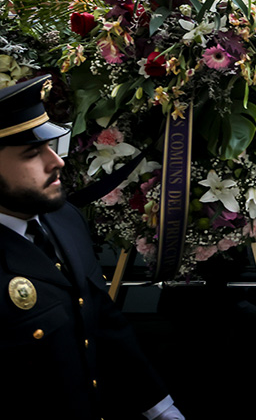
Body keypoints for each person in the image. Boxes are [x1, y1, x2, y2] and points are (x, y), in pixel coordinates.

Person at [0, 75, 183, 420]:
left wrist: (160, 409)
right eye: (31, 153)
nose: (56, 162)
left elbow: (101, 320)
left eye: (50, 146)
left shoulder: (62, 219)